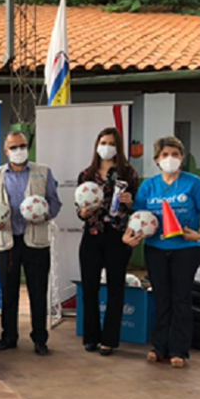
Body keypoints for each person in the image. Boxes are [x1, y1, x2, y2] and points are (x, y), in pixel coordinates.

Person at [125, 136, 200, 369]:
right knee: (161, 297)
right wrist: (130, 235)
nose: (170, 159)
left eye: (175, 154)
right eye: (165, 155)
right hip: (156, 249)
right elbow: (139, 218)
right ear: (157, 159)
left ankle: (179, 350)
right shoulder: (149, 186)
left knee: (181, 298)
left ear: (182, 158)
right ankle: (159, 346)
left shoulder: (194, 183)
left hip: (186, 250)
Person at [0, 132, 62, 356]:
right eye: (14, 147)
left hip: (36, 241)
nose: (19, 150)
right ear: (5, 150)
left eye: (22, 146)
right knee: (8, 292)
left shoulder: (43, 172)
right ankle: (8, 336)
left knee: (38, 292)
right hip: (7, 242)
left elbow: (55, 202)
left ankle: (40, 339)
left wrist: (44, 214)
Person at [77, 128, 140, 356]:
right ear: (96, 145)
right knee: (90, 288)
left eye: (111, 143)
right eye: (103, 142)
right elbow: (80, 212)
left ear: (118, 146)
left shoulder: (128, 173)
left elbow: (137, 208)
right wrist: (85, 212)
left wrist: (130, 201)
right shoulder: (86, 175)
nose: (107, 146)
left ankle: (110, 340)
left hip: (117, 236)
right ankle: (91, 337)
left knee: (115, 288)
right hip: (92, 236)